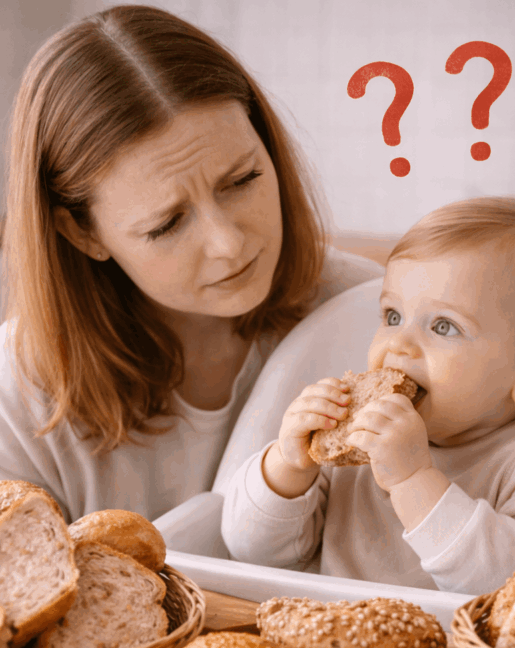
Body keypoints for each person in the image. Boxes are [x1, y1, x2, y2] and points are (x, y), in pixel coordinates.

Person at [0, 5, 380, 523]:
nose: (229, 244)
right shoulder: (17, 402)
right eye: (166, 225)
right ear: (82, 233)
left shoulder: (377, 314)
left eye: (242, 179)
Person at [222, 197, 515, 595]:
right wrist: (287, 467)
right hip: (324, 628)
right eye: (393, 316)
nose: (398, 344)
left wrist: (413, 480)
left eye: (444, 326)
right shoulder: (353, 441)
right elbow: (251, 552)